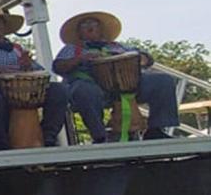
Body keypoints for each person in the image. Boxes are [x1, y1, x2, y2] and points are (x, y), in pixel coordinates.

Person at [52, 11, 179, 142]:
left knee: (163, 81)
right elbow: (58, 67)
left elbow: (147, 58)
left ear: (101, 29)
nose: (90, 26)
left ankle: (156, 130)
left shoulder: (119, 46)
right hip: (94, 87)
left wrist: (142, 58)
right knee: (83, 91)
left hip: (129, 86)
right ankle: (99, 136)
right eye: (84, 25)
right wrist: (80, 59)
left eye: (94, 23)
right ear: (79, 33)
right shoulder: (72, 49)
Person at [0, 6, 69, 149]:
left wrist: (28, 66)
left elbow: (42, 73)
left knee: (59, 90)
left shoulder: (18, 49)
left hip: (24, 91)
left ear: (4, 26)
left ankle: (48, 135)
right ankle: (1, 143)